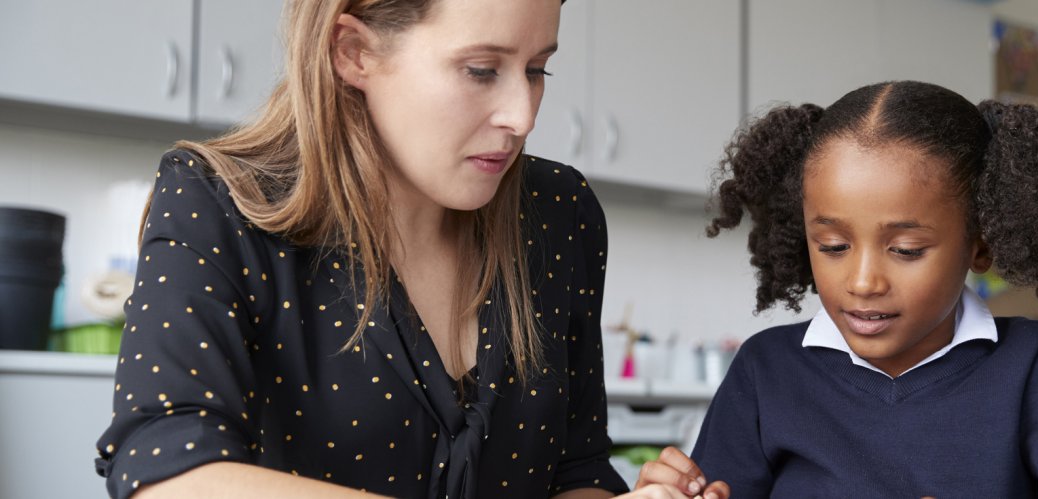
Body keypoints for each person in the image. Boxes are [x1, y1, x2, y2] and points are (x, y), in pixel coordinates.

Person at [94, 1, 705, 497]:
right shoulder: (216, 202)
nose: (522, 115)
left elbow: (576, 473)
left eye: (538, 69)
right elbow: (166, 471)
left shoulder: (559, 214)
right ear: (354, 51)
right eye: (481, 70)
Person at [636, 81, 1038, 497]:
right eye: (833, 246)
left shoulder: (1037, 367)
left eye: (905, 250)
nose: (862, 282)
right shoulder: (765, 372)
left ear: (979, 246)